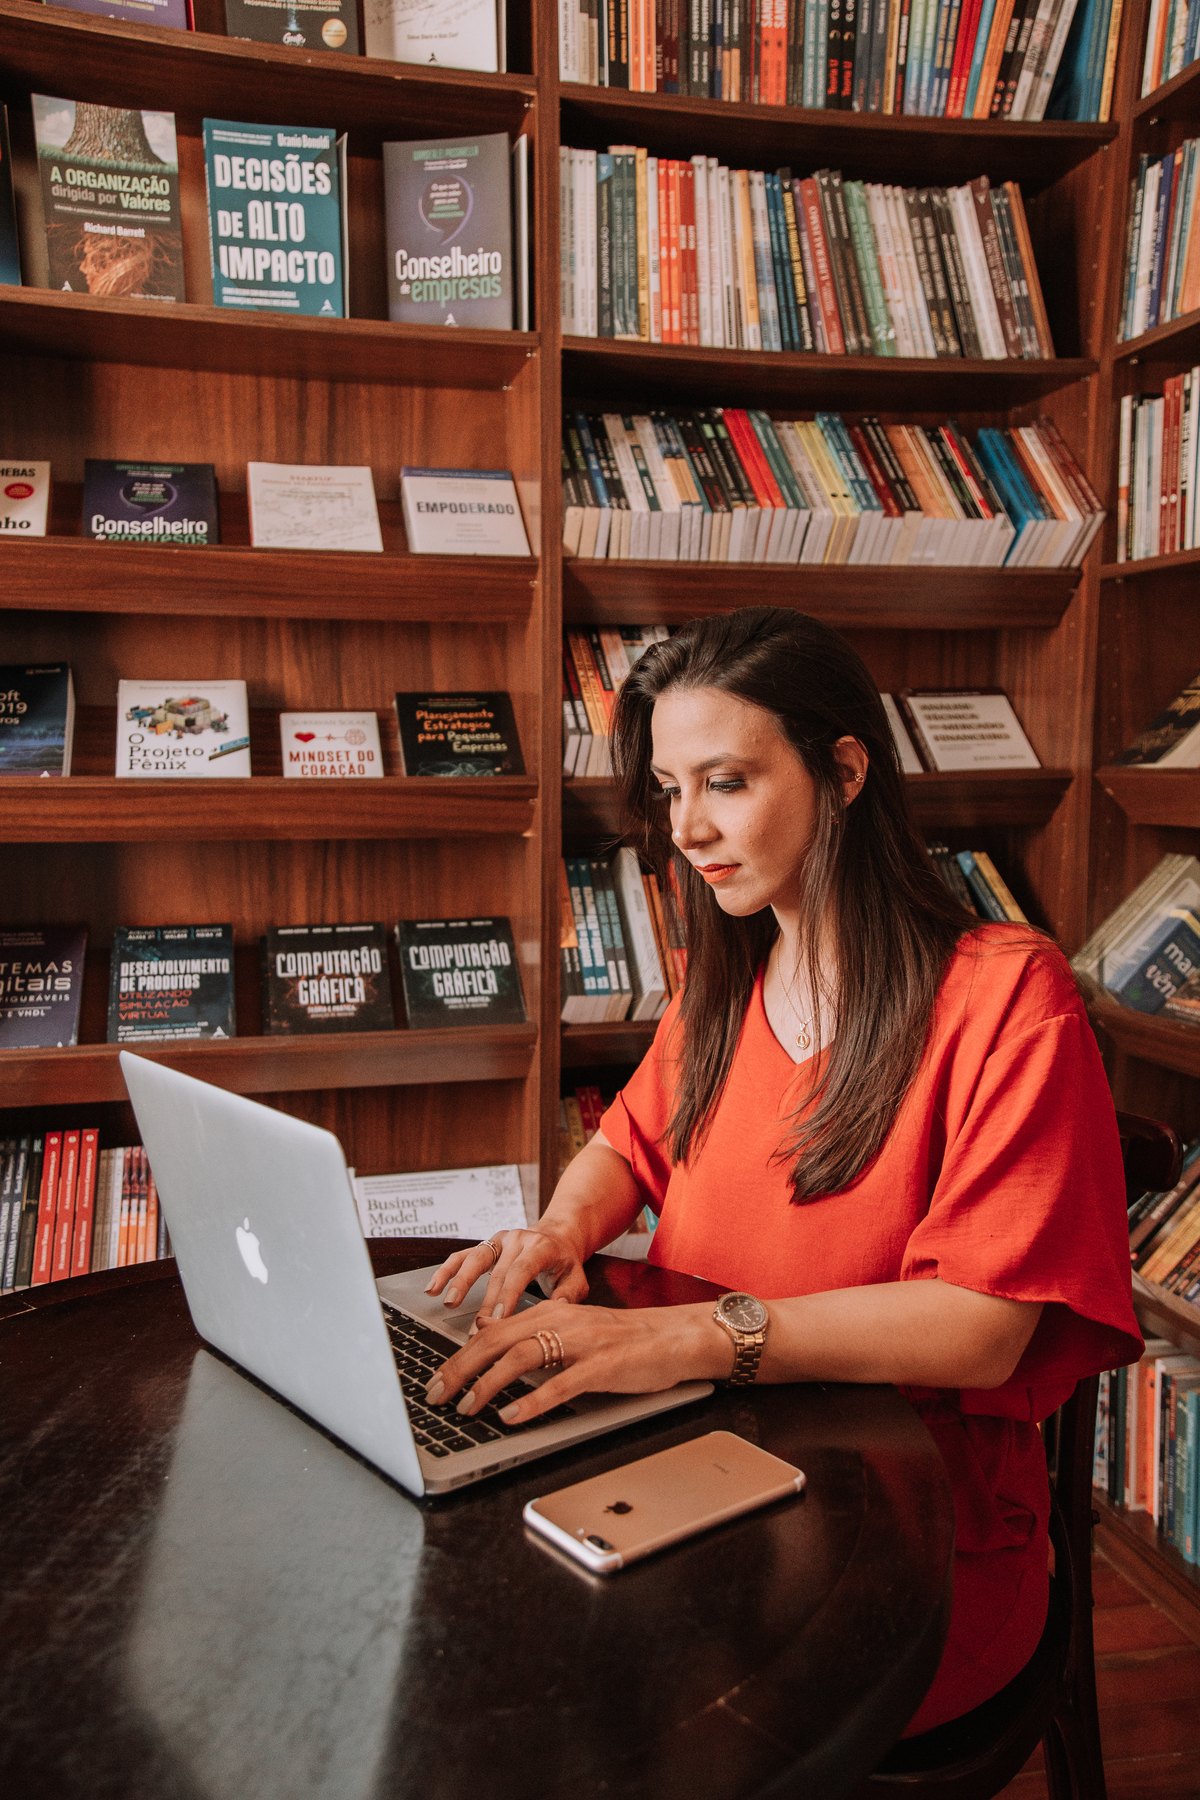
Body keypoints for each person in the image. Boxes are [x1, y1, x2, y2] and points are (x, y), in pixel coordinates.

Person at [423, 607, 1141, 1736]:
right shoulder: (730, 973)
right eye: (668, 789)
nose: (687, 830)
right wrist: (563, 1232)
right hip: (700, 1458)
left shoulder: (1008, 994)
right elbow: (625, 1142)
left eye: (726, 782)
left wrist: (696, 1338)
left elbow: (983, 1326)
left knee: (597, 1699)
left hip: (905, 1527)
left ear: (843, 768)